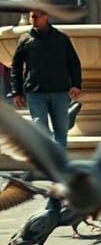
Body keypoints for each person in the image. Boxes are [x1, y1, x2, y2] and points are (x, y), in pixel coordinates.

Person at [10, 10, 81, 147]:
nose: (33, 20)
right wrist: (16, 92)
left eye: (36, 16)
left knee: (61, 132)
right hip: (35, 93)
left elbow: (73, 63)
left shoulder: (61, 38)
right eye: (31, 17)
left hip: (60, 92)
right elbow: (16, 67)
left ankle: (58, 159)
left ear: (45, 16)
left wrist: (76, 85)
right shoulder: (25, 39)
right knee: (41, 131)